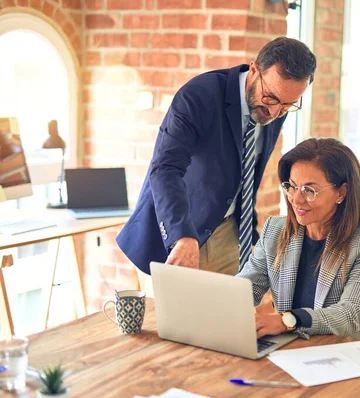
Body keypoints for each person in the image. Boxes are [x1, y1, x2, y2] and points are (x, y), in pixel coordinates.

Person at [116, 37, 317, 293]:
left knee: (228, 327)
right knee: (169, 331)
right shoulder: (199, 96)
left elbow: (246, 171)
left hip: (229, 235)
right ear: (254, 70)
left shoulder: (276, 106)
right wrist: (182, 236)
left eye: (289, 105)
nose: (277, 112)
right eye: (271, 99)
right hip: (176, 233)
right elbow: (165, 168)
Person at [236, 138, 360, 345]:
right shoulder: (275, 230)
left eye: (309, 190)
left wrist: (287, 321)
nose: (296, 199)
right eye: (292, 186)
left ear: (341, 193)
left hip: (350, 351)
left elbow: (352, 314)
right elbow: (245, 288)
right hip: (295, 348)